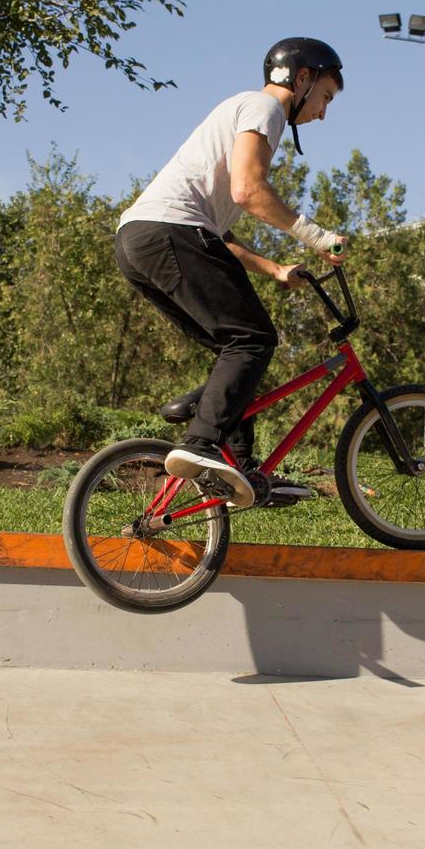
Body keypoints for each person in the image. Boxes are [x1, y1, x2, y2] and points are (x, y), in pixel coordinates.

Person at [114, 37, 347, 509]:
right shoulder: (265, 108)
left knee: (237, 349)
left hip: (140, 240)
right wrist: (317, 237)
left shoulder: (246, 113)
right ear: (301, 78)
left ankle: (236, 463)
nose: (323, 112)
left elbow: (218, 235)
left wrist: (276, 269)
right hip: (170, 233)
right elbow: (248, 190)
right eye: (325, 96)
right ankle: (200, 440)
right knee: (252, 340)